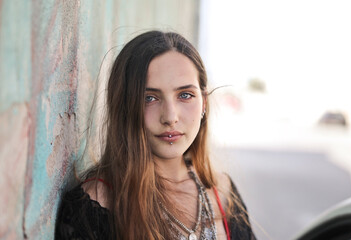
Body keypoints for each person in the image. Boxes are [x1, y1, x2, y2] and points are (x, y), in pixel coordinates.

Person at [55, 30, 256, 240]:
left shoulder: (223, 192)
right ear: (124, 106)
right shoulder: (95, 205)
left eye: (185, 95)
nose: (170, 117)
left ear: (204, 102)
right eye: (149, 98)